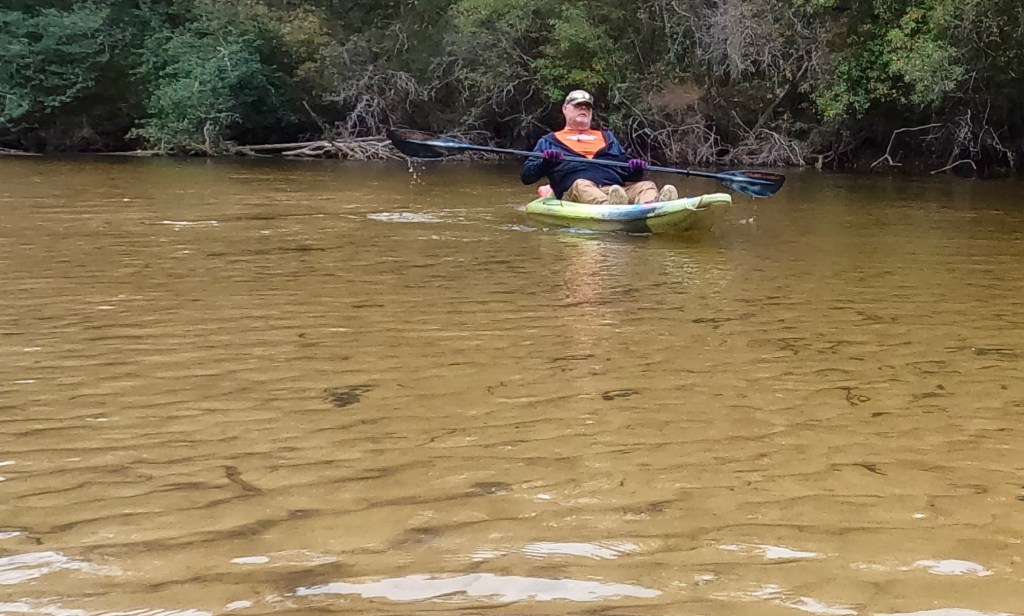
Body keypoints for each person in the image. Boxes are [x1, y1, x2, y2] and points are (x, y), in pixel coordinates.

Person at [521, 89, 678, 205]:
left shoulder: (608, 138)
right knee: (581, 184)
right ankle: (611, 207)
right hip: (577, 191)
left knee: (646, 186)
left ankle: (653, 205)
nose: (584, 109)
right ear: (565, 108)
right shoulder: (549, 141)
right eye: (578, 106)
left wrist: (636, 169)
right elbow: (527, 176)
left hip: (615, 191)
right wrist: (546, 162)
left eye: (587, 107)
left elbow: (628, 175)